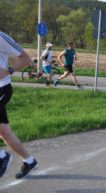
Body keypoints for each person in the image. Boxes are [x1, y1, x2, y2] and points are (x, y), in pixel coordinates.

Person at [0, 31, 38, 179]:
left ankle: (2, 157)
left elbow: (26, 58)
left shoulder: (1, 38)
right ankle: (29, 161)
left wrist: (8, 71)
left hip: (1, 87)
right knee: (4, 132)